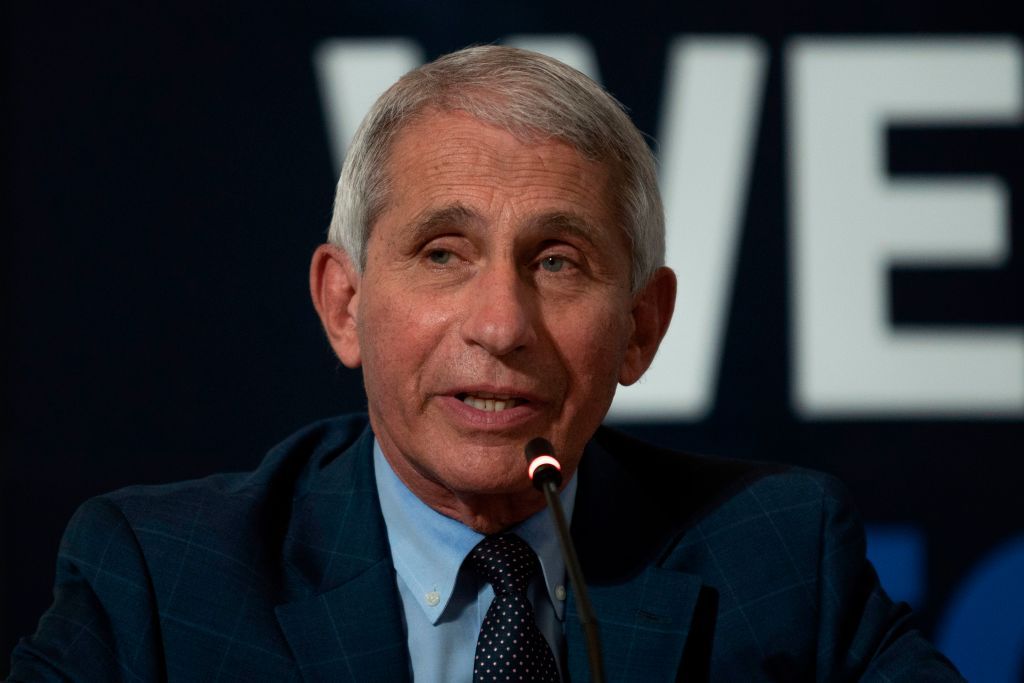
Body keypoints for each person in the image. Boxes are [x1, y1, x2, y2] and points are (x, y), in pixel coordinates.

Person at [8, 45, 962, 681]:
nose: (502, 324)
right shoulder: (163, 587)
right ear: (345, 303)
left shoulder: (784, 560)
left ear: (640, 326)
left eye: (557, 261)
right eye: (442, 254)